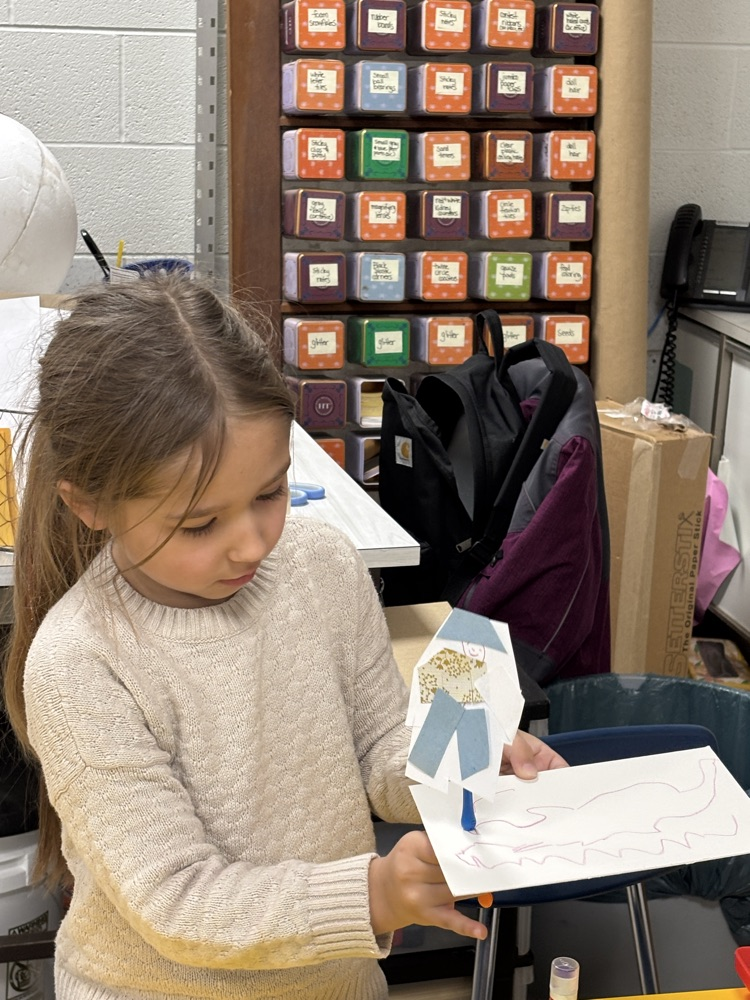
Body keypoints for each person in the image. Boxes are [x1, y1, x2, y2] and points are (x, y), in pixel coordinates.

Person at [3, 275, 566, 1000]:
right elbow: (177, 900)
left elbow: (379, 745)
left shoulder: (322, 564)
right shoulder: (80, 662)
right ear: (90, 503)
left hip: (334, 982)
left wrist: (461, 760)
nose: (249, 544)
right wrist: (371, 896)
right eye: (200, 525)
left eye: (269, 492)